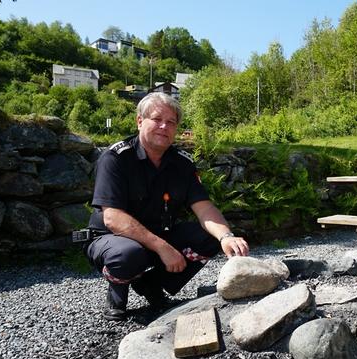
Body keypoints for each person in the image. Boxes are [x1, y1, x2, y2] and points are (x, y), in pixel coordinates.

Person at [85, 93, 249, 321]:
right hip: (111, 238)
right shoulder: (116, 158)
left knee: (209, 237)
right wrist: (163, 248)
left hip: (159, 235)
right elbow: (113, 218)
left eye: (171, 122)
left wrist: (227, 236)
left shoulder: (182, 163)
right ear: (140, 121)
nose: (164, 126)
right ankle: (117, 292)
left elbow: (203, 207)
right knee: (128, 255)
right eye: (157, 119)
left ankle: (151, 284)